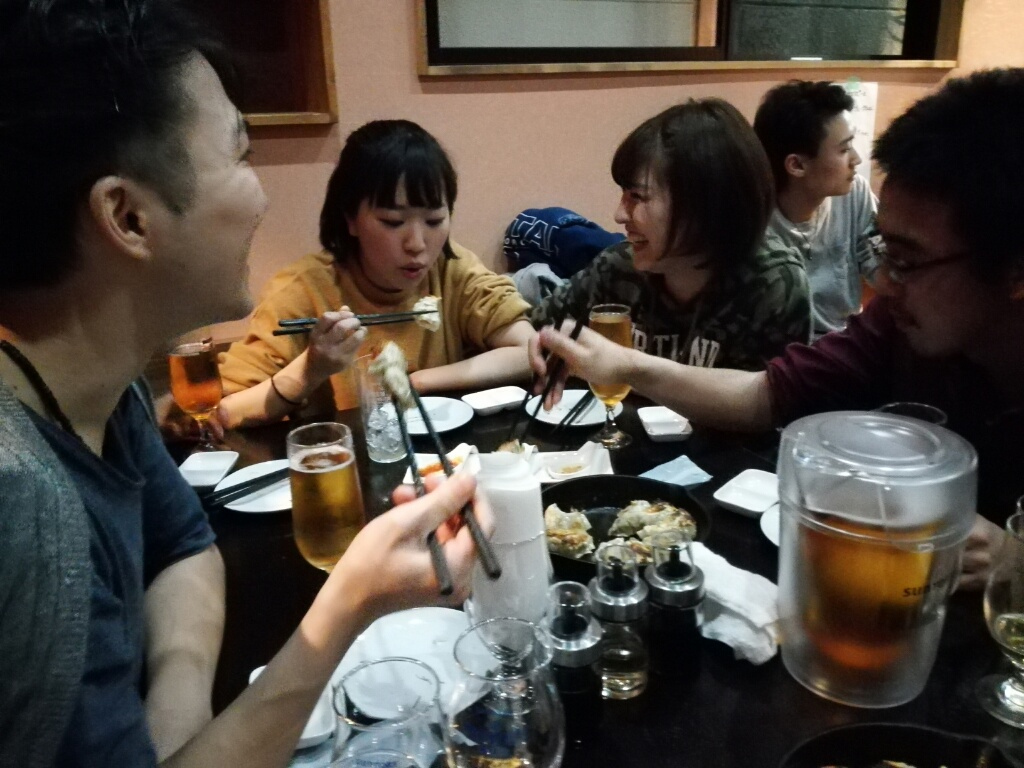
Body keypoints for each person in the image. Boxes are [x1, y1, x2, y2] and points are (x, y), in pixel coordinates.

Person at [0, 3, 489, 767]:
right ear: (128, 217)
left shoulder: (106, 394)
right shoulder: (22, 508)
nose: (261, 197)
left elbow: (183, 542)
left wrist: (176, 724)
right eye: (240, 154)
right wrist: (350, 606)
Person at [530, 69, 1024, 591]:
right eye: (883, 250)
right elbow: (765, 394)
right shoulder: (893, 327)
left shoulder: (773, 277)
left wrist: (1015, 557)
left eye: (906, 261)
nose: (881, 282)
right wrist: (628, 364)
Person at [216, 119, 535, 428]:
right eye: (393, 222)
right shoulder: (304, 291)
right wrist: (311, 369)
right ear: (350, 219)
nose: (417, 244)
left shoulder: (452, 270)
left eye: (434, 221)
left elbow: (529, 350)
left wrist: (416, 382)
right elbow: (225, 412)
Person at [530, 99, 810, 373]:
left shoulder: (772, 284)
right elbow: (536, 335)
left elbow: (769, 400)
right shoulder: (618, 268)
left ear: (704, 204)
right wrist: (539, 344)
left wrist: (633, 370)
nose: (619, 215)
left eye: (637, 196)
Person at [754, 80, 881, 338]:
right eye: (844, 149)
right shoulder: (752, 215)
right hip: (780, 350)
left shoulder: (854, 193)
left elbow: (882, 269)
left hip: (843, 344)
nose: (856, 159)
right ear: (797, 165)